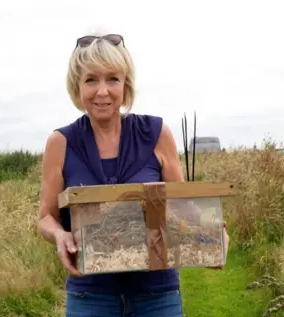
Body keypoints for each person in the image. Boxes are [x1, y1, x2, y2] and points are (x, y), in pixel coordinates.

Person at [38, 32, 229, 317]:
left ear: (126, 85)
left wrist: (212, 234)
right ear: (77, 86)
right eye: (91, 79)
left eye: (112, 79)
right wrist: (59, 235)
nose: (102, 91)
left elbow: (182, 205)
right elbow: (45, 217)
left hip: (157, 295)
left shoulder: (156, 134)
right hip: (90, 295)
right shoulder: (61, 143)